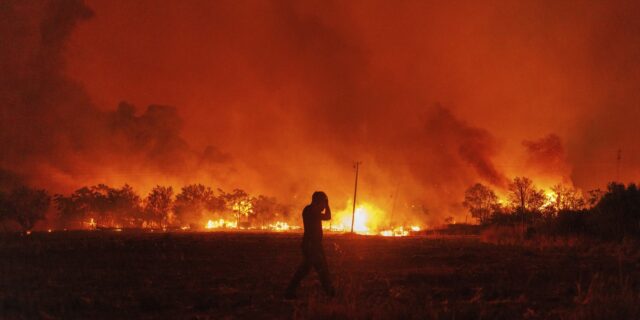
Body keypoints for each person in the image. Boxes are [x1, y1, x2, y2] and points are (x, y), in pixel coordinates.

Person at [285, 191, 335, 298]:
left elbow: (327, 216)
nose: (323, 207)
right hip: (311, 245)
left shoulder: (311, 210)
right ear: (318, 201)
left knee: (311, 269)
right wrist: (327, 205)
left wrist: (325, 204)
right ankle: (329, 292)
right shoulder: (310, 210)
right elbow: (328, 216)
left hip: (314, 245)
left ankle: (329, 291)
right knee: (320, 269)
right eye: (322, 203)